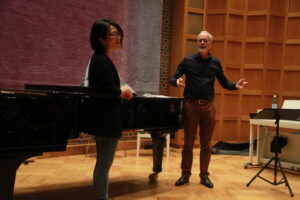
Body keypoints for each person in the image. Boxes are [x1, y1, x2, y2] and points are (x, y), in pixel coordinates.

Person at [169, 31, 248, 188]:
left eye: (205, 40)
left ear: (211, 44)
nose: (202, 43)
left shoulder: (215, 63)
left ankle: (204, 176)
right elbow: (173, 77)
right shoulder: (188, 60)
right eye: (199, 40)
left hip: (208, 107)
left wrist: (235, 86)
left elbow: (224, 82)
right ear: (197, 43)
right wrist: (176, 81)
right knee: (188, 144)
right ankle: (185, 174)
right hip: (190, 106)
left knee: (206, 144)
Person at [87, 19, 133, 200]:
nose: (118, 37)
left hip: (103, 119)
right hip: (107, 120)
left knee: (103, 163)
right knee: (104, 164)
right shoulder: (101, 60)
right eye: (113, 34)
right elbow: (108, 89)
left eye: (118, 33)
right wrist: (123, 91)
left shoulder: (100, 59)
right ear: (100, 39)